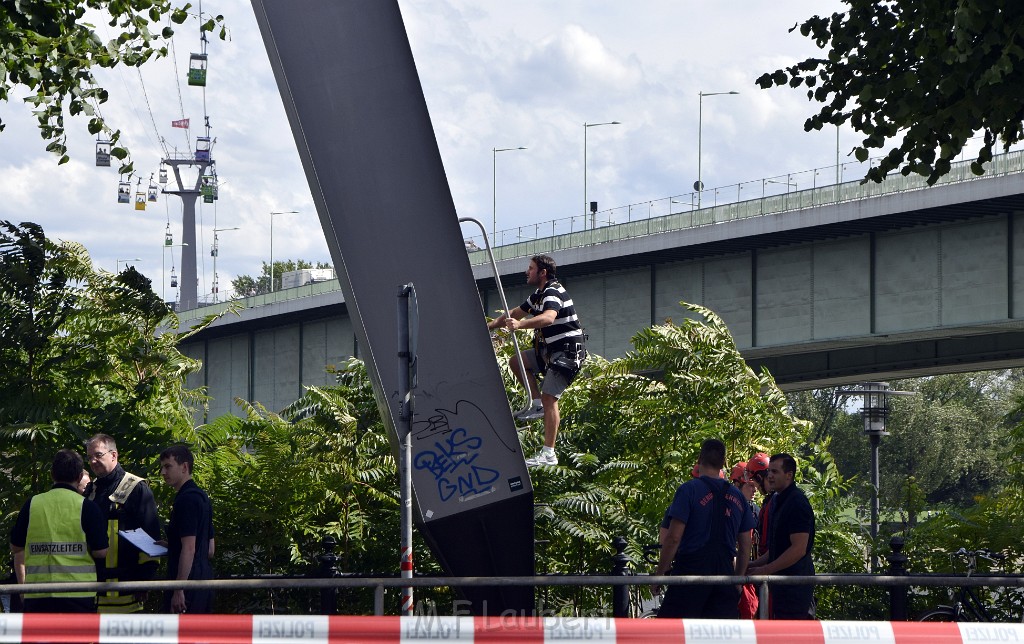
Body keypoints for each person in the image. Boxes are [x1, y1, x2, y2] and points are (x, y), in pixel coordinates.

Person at [486, 254, 586, 467]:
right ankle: (537, 403)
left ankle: (549, 453)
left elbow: (548, 318)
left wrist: (519, 326)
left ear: (543, 272)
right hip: (548, 352)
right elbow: (515, 313)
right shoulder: (538, 295)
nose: (526, 271)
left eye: (531, 268)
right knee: (517, 362)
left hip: (566, 353)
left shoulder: (552, 292)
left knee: (551, 397)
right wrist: (490, 326)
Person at [654, 439, 755, 619]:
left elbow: (673, 538)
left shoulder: (688, 490)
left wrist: (660, 574)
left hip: (690, 573)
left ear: (699, 459)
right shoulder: (738, 496)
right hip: (724, 575)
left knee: (671, 633)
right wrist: (737, 580)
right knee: (720, 635)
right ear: (723, 463)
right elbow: (746, 544)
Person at [9, 449, 108, 613]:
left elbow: (15, 547)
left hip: (38, 595)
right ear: (78, 477)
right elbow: (101, 552)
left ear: (52, 475)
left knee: (41, 639)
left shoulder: (32, 504)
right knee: (74, 639)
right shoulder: (88, 507)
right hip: (78, 595)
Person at [85, 433, 161, 613]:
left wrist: (144, 582)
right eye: (89, 457)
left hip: (128, 591)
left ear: (114, 455)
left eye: (98, 455)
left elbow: (152, 538)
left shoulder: (135, 487)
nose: (93, 461)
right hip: (95, 591)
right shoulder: (91, 491)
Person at [748, 453, 816, 619]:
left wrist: (765, 570)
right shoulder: (778, 500)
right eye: (769, 471)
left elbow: (798, 549)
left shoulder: (796, 502)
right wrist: (752, 565)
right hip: (781, 586)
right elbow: (777, 548)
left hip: (795, 587)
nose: (769, 476)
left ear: (789, 475)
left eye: (775, 472)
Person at [159, 444, 215, 614]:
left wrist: (178, 589)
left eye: (168, 466)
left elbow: (189, 548)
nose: (163, 472)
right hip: (203, 582)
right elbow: (209, 549)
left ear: (184, 467)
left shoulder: (186, 500)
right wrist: (173, 546)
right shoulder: (201, 497)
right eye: (162, 467)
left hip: (187, 586)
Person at [730, 460, 759, 619]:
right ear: (737, 483)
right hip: (734, 573)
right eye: (750, 486)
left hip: (750, 573)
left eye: (755, 486)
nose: (754, 490)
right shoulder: (727, 509)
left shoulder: (755, 510)